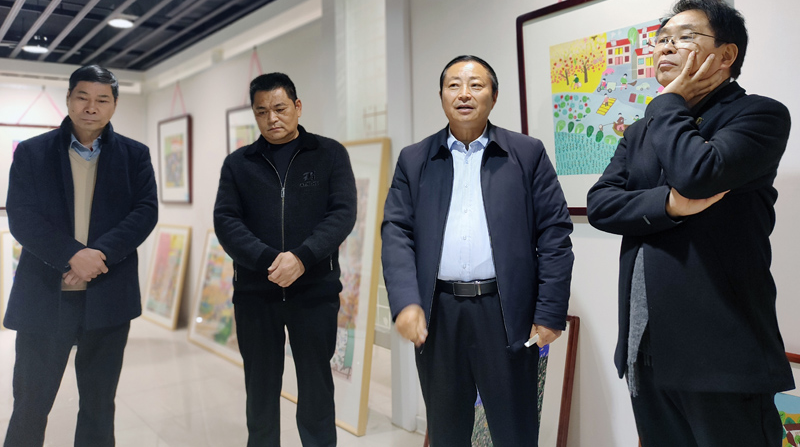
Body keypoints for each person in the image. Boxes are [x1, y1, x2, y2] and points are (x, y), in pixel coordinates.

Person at [586, 0, 794, 446]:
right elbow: (600, 204)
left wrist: (667, 103)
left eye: (684, 37)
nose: (665, 47)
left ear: (726, 54)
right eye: (661, 39)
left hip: (722, 356)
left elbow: (698, 175)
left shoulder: (759, 114)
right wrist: (668, 204)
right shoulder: (641, 130)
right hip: (646, 349)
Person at [381, 55, 574, 446]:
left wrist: (550, 311)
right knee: (446, 431)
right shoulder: (415, 159)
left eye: (476, 85)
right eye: (453, 85)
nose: (464, 94)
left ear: (494, 96)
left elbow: (554, 234)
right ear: (441, 95)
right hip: (439, 314)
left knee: (515, 431)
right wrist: (406, 302)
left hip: (506, 313)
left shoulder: (526, 154)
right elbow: (397, 232)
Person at [3, 64, 158, 447]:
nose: (91, 107)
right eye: (83, 97)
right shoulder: (33, 152)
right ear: (69, 99)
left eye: (102, 99)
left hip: (108, 298)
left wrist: (98, 256)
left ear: (114, 104)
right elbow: (21, 215)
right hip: (45, 297)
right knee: (30, 405)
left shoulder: (135, 155)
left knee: (98, 407)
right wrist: (72, 256)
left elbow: (145, 212)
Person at [214, 72, 356, 447]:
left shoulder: (329, 154)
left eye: (279, 108)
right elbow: (226, 221)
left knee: (316, 390)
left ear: (297, 106)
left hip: (314, 292)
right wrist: (269, 261)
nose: (272, 118)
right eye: (262, 112)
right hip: (255, 295)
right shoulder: (238, 164)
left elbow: (342, 214)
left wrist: (301, 258)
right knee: (260, 392)